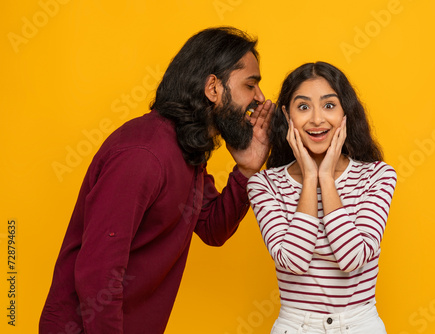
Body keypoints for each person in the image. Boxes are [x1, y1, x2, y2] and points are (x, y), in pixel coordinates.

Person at [40, 27, 275, 334]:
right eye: (250, 85)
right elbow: (98, 274)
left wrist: (246, 171)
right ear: (213, 88)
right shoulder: (144, 154)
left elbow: (212, 228)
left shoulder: (187, 147)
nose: (259, 98)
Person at [247, 62, 396, 334]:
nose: (317, 119)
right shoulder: (264, 184)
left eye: (329, 105)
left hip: (360, 325)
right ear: (287, 115)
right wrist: (310, 178)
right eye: (303, 107)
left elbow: (352, 258)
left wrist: (325, 177)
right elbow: (293, 261)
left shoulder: (378, 176)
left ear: (345, 113)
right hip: (295, 327)